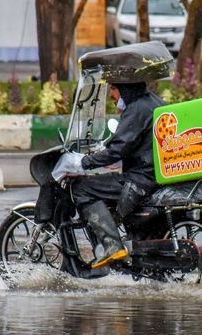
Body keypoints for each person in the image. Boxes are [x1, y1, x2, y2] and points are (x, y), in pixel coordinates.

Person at [70, 81, 164, 269]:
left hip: (141, 178)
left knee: (81, 187)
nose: (112, 95)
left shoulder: (136, 109)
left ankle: (112, 246)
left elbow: (118, 149)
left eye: (113, 89)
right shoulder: (156, 102)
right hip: (156, 174)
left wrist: (83, 163)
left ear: (125, 88)